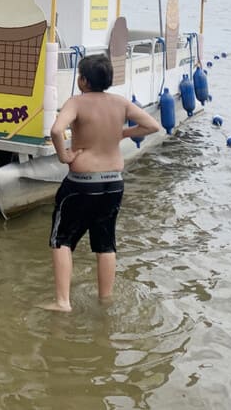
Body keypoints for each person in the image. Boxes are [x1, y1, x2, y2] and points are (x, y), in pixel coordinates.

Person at [44, 54, 160, 311]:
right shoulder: (120, 103)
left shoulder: (76, 102)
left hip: (81, 184)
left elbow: (55, 130)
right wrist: (123, 133)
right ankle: (105, 299)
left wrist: (65, 156)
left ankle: (63, 302)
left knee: (61, 239)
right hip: (113, 183)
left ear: (83, 80)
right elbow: (152, 125)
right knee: (105, 243)